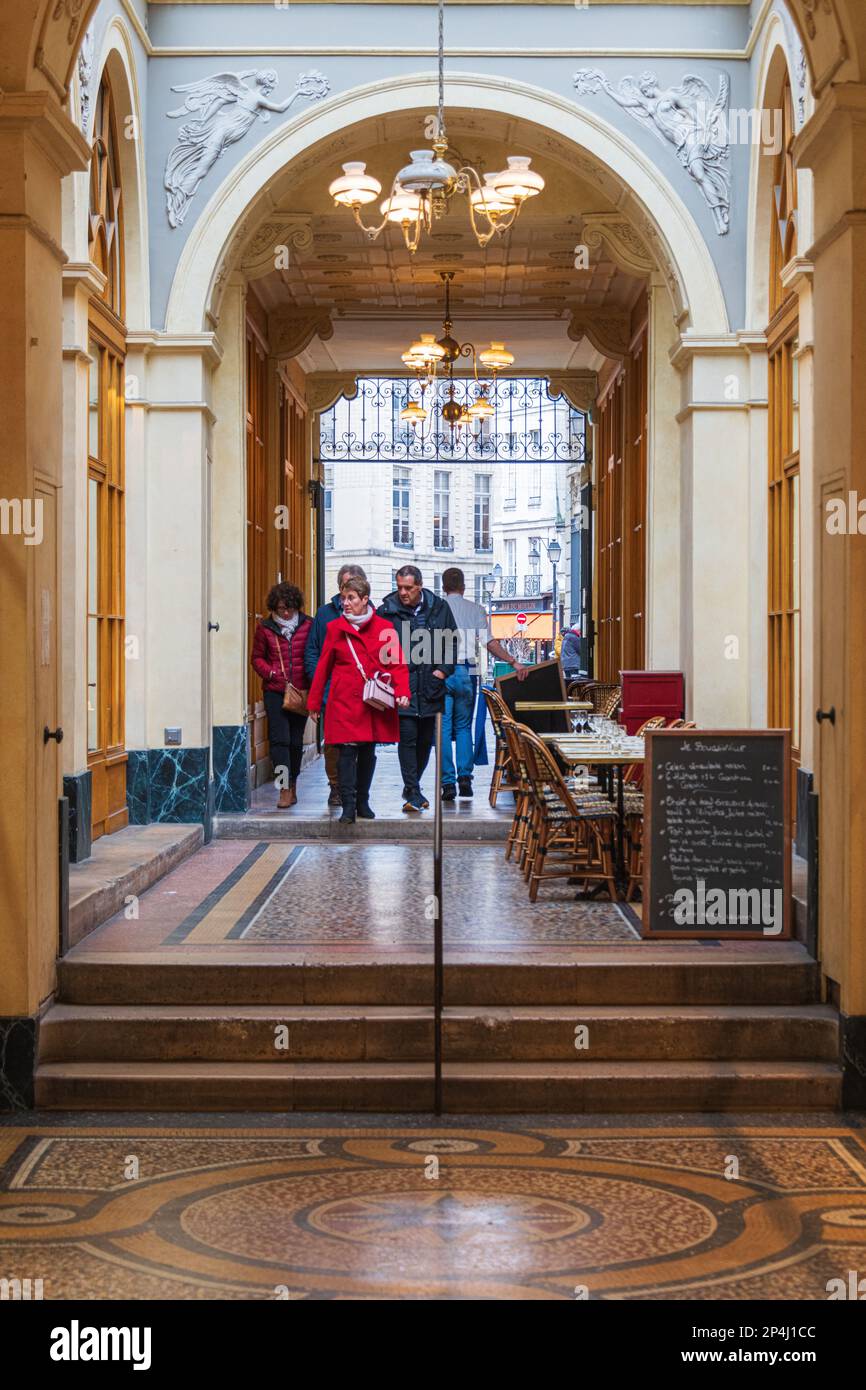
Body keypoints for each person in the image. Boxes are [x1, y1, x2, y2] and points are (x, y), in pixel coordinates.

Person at [306, 576, 410, 823]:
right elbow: (323, 667)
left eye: (351, 598)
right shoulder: (335, 629)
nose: (346, 603)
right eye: (343, 598)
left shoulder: (384, 628)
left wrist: (403, 691)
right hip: (343, 700)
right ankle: (348, 805)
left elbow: (396, 663)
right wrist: (313, 702)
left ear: (365, 599)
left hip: (372, 701)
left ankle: (363, 801)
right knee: (345, 751)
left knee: (367, 751)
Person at [440, 567, 531, 800]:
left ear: (443, 586)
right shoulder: (476, 610)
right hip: (466, 672)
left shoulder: (435, 608)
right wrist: (513, 661)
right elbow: (489, 643)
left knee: (442, 728)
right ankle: (465, 779)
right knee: (463, 727)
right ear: (463, 586)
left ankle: (448, 783)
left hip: (440, 671)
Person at [377, 565, 458, 814]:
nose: (403, 592)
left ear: (419, 587)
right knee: (408, 739)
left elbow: (452, 641)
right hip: (403, 689)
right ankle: (412, 789)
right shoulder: (386, 612)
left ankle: (412, 786)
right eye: (399, 587)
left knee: (425, 741)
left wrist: (442, 671)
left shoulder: (439, 608)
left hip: (432, 686)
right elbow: (379, 651)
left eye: (408, 588)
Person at [304, 563, 368, 808]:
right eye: (343, 586)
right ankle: (336, 787)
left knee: (361, 745)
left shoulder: (373, 615)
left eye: (352, 587)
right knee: (333, 744)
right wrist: (319, 686)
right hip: (332, 692)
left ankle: (358, 791)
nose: (346, 593)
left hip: (363, 693)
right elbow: (313, 652)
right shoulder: (326, 614)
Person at [250, 582, 312, 809]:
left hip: (301, 691)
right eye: (281, 609)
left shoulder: (308, 625)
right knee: (279, 741)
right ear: (273, 608)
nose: (285, 613)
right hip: (275, 691)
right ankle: (284, 788)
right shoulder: (265, 628)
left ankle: (293, 782)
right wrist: (271, 673)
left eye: (290, 608)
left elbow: (313, 653)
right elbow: (257, 658)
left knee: (295, 742)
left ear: (297, 607)